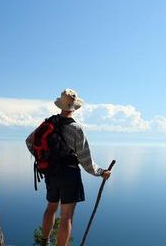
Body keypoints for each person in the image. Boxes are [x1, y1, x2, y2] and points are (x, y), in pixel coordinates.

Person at [26, 89, 111, 246]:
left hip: (51, 172)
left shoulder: (48, 123)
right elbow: (86, 160)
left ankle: (44, 242)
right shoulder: (76, 128)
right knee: (66, 217)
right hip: (69, 174)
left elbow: (29, 141)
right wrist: (101, 172)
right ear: (74, 106)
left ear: (61, 105)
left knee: (51, 208)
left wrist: (43, 157)